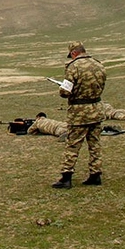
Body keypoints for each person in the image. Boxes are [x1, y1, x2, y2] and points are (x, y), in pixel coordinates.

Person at [51, 41, 106, 189]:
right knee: (95, 144)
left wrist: (63, 88)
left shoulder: (73, 67)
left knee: (73, 145)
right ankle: (95, 175)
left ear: (73, 53)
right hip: (97, 109)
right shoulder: (98, 64)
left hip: (79, 113)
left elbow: (65, 92)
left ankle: (66, 177)